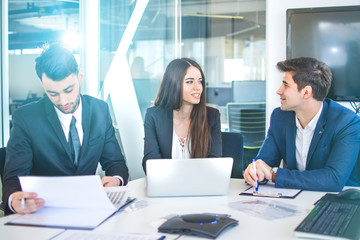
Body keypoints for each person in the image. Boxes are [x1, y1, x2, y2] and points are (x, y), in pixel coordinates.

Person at [2, 44, 129, 215]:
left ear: (80, 76)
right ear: (42, 84)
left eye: (69, 90)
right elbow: (13, 177)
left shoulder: (100, 110)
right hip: (43, 213)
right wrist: (14, 200)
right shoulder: (26, 118)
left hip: (89, 210)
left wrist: (116, 180)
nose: (63, 101)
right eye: (52, 93)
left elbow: (116, 164)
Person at [244, 57, 360, 192]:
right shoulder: (280, 117)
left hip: (339, 202)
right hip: (296, 199)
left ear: (306, 92)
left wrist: (274, 175)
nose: (279, 91)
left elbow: (333, 179)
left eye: (286, 85)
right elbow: (263, 163)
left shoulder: (347, 122)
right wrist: (255, 171)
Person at [142, 58, 222, 172]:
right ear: (173, 84)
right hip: (166, 185)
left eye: (200, 81)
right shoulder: (154, 116)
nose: (198, 87)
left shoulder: (212, 116)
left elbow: (214, 163)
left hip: (201, 186)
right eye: (190, 81)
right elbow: (150, 162)